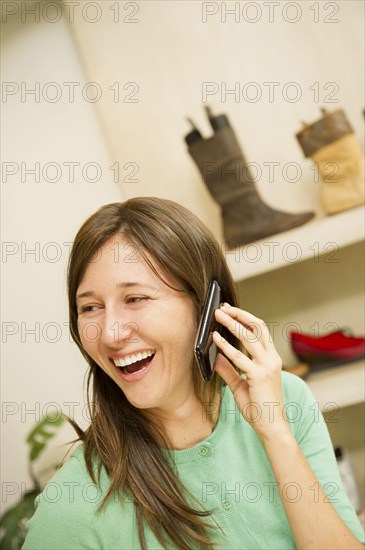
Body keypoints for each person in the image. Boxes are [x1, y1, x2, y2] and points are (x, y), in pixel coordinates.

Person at [22, 197, 364, 550]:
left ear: (206, 305)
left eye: (136, 298)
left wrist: (275, 433)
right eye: (90, 307)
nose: (110, 333)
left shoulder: (286, 400)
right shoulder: (70, 507)